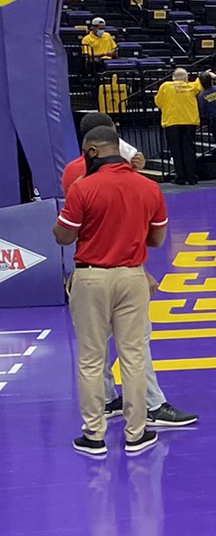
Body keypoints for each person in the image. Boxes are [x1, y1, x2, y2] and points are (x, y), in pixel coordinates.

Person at [54, 124, 167, 457]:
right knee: (133, 357)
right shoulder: (149, 187)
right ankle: (136, 434)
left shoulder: (81, 187)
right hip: (133, 278)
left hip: (91, 278)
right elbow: (157, 239)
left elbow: (64, 236)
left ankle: (94, 436)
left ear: (91, 151)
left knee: (91, 359)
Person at [154, 65, 201, 184]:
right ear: (186, 78)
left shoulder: (166, 86)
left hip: (172, 122)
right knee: (189, 150)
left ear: (173, 77)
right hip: (189, 122)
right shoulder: (192, 86)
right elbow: (200, 82)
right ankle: (191, 177)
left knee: (176, 151)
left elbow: (158, 102)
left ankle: (180, 177)